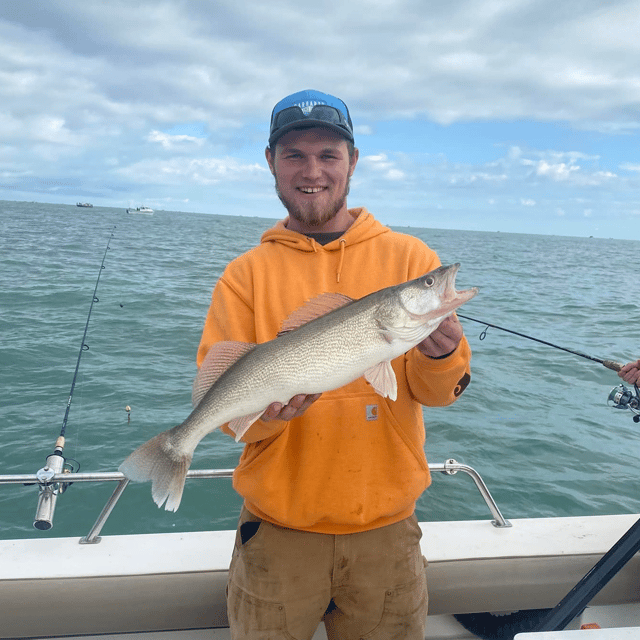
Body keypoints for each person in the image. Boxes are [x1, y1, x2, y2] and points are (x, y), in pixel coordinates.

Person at [197, 90, 472, 640]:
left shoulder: (411, 259)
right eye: (294, 155)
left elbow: (438, 394)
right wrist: (273, 413)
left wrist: (442, 353)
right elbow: (231, 417)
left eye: (328, 154)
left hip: (387, 537)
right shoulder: (243, 275)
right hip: (277, 536)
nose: (312, 171)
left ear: (352, 161)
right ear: (271, 163)